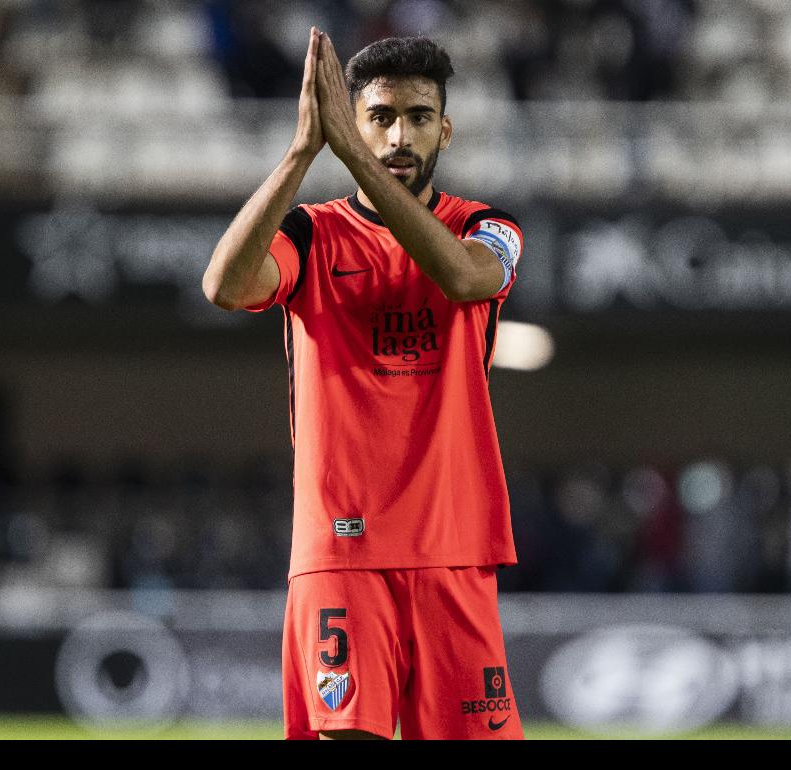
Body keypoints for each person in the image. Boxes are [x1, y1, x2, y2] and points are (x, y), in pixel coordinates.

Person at [202, 27, 524, 741]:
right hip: (343, 549)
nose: (398, 136)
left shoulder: (486, 226)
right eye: (378, 117)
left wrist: (351, 153)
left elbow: (464, 278)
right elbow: (223, 286)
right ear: (352, 121)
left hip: (453, 546)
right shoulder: (311, 235)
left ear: (445, 129)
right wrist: (301, 152)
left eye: (417, 116)